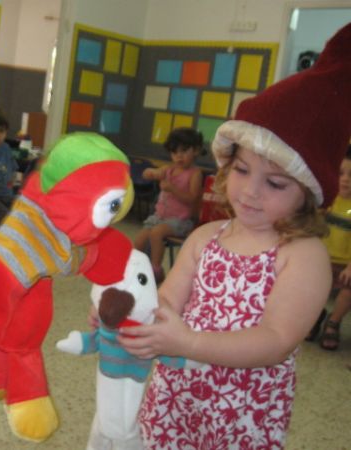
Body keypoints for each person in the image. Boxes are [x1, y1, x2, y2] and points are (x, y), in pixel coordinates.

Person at [115, 23, 351, 449]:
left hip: (242, 415)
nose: (250, 191)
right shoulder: (206, 237)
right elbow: (167, 299)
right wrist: (130, 317)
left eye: (275, 183)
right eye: (241, 170)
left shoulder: (303, 255)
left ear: (309, 192)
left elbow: (276, 340)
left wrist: (190, 342)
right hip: (176, 400)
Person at [132, 128, 204, 283]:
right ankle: (138, 268)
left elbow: (192, 199)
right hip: (159, 218)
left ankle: (156, 270)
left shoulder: (195, 173)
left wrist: (172, 189)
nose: (179, 156)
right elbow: (148, 173)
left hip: (181, 221)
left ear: (196, 150)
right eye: (174, 152)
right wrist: (150, 173)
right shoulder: (168, 169)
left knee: (156, 233)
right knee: (139, 241)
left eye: (184, 151)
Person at [318, 146, 351, 350]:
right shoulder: (329, 199)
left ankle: (334, 321)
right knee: (313, 284)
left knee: (349, 290)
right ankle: (315, 315)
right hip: (323, 259)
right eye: (341, 174)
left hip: (346, 265)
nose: (345, 179)